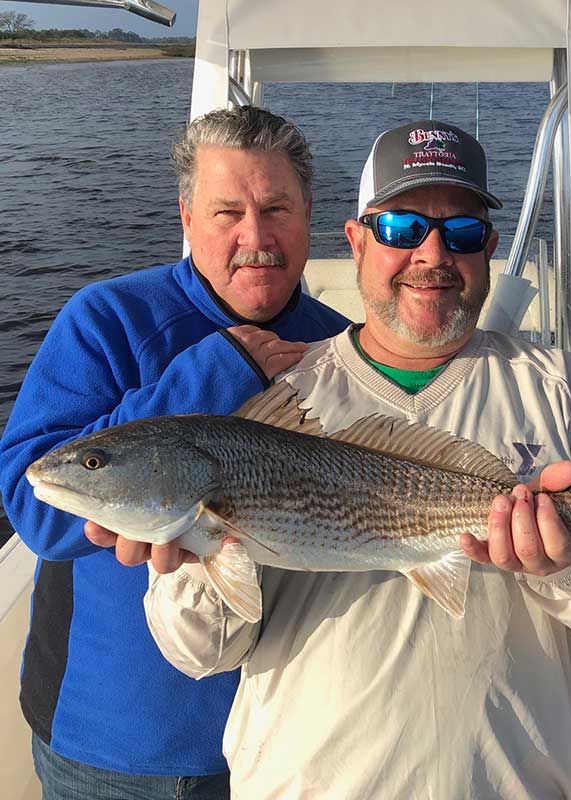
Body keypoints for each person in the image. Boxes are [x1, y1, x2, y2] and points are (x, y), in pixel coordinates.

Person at [91, 120, 571, 799]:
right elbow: (199, 653)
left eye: (461, 233)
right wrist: (198, 570)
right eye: (403, 228)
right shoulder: (278, 397)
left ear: (489, 249)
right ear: (357, 240)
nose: (431, 254)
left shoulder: (567, 391)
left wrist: (570, 567)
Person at [0, 106, 348, 799]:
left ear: (308, 212)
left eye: (276, 207)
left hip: (285, 739)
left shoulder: (342, 347)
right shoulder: (109, 319)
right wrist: (218, 368)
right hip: (113, 748)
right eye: (227, 213)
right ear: (187, 218)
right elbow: (32, 498)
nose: (256, 236)